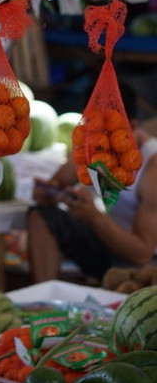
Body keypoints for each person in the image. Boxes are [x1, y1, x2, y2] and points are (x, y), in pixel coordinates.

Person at [28, 82, 157, 282]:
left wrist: (95, 217)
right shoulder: (95, 145)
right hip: (109, 246)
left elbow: (142, 254)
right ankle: (46, 294)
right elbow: (58, 181)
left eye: (108, 133)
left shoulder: (152, 169)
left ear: (132, 127)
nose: (100, 141)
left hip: (146, 265)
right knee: (41, 215)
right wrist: (47, 193)